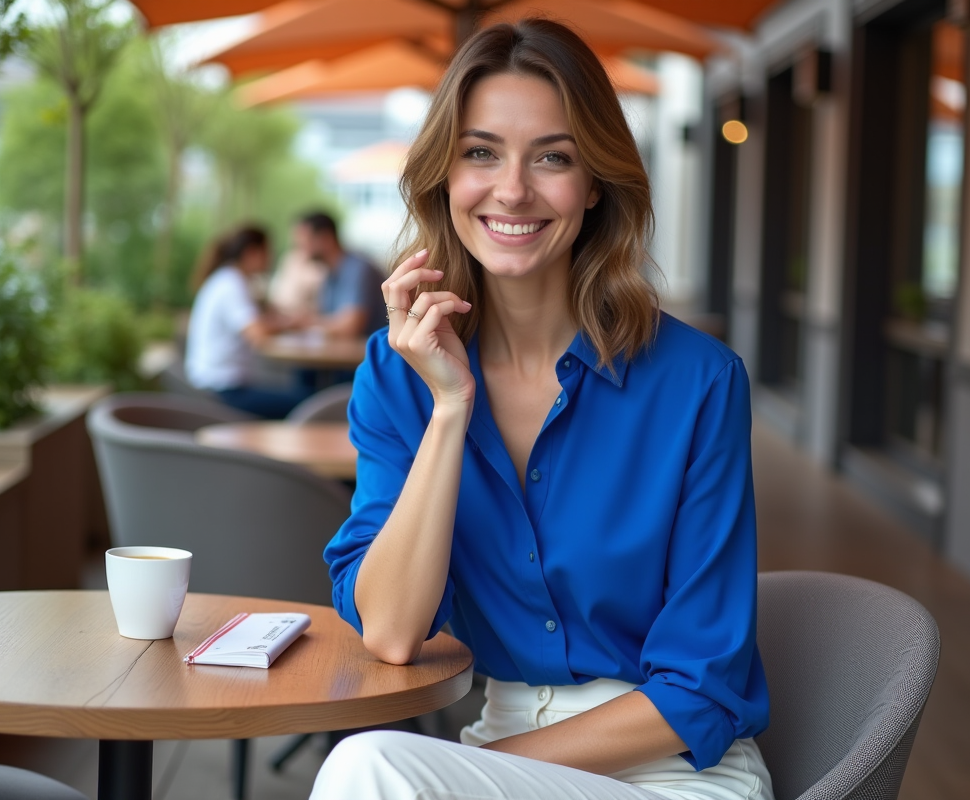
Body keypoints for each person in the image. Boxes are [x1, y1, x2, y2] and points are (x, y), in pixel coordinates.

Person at [315, 18, 773, 800]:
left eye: (552, 158)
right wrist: (451, 407)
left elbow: (700, 685)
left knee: (369, 770)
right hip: (499, 744)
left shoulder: (697, 383)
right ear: (444, 177)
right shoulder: (398, 379)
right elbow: (391, 632)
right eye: (481, 152)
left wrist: (493, 774)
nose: (514, 189)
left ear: (595, 183)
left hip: (671, 772)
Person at [184, 225, 311, 419]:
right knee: (310, 403)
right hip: (222, 391)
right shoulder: (231, 284)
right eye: (268, 252)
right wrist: (290, 324)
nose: (271, 258)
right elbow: (258, 334)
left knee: (304, 392)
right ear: (252, 252)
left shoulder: (230, 280)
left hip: (214, 385)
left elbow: (263, 317)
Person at [302, 211, 388, 338]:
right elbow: (328, 318)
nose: (301, 246)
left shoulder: (359, 269)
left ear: (325, 238)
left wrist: (305, 323)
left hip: (370, 353)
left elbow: (350, 326)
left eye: (305, 240)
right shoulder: (330, 274)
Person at [268, 213, 327, 319]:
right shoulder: (289, 259)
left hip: (308, 323)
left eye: (304, 235)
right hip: (282, 319)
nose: (299, 239)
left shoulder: (322, 265)